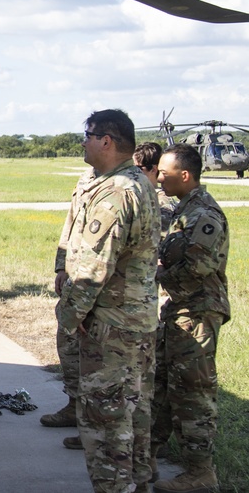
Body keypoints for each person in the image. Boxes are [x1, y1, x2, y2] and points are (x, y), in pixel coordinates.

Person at [53, 109, 159, 493]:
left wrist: (70, 314)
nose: (83, 141)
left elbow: (93, 269)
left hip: (112, 327)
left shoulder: (115, 193)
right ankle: (141, 482)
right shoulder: (135, 182)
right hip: (136, 321)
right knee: (136, 413)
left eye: (88, 134)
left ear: (107, 141)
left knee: (105, 421)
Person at [150, 144, 230, 493]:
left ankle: (201, 473)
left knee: (193, 393)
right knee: (163, 386)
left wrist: (156, 275)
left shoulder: (204, 216)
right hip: (179, 310)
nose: (159, 179)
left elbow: (199, 267)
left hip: (197, 313)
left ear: (185, 175)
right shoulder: (184, 211)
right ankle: (146, 456)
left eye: (164, 173)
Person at [133, 141, 177, 238]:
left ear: (153, 169)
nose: (132, 173)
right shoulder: (143, 195)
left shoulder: (162, 202)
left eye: (136, 168)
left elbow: (161, 240)